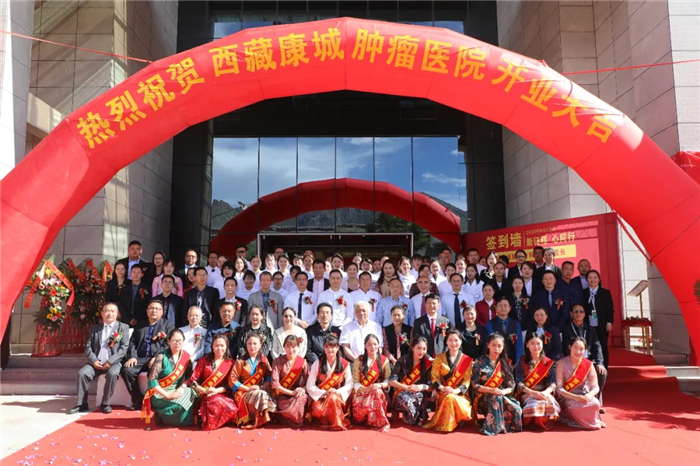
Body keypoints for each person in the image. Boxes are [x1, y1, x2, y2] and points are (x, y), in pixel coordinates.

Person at [70, 303, 130, 414]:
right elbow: (88, 347)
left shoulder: (123, 327)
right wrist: (94, 361)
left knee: (112, 374)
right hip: (96, 362)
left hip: (114, 362)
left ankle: (105, 404)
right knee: (82, 373)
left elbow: (123, 348)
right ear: (102, 313)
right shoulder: (95, 328)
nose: (110, 313)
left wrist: (110, 361)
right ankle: (82, 404)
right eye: (107, 311)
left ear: (117, 314)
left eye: (112, 311)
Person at [121, 300, 174, 410]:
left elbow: (167, 344)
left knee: (154, 372)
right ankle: (138, 401)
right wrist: (133, 357)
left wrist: (156, 357)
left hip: (157, 358)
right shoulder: (140, 325)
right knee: (127, 370)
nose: (154, 311)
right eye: (151, 308)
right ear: (147, 311)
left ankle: (151, 401)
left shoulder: (168, 325)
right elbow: (132, 342)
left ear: (162, 312)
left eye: (157, 309)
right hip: (140, 358)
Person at [142, 328, 196, 427]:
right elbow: (152, 381)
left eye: (180, 340)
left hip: (176, 389)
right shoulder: (161, 357)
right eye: (174, 340)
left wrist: (182, 387)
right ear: (168, 341)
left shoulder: (186, 357)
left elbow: (189, 376)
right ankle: (160, 414)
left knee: (193, 393)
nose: (177, 343)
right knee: (178, 405)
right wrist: (167, 395)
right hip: (159, 392)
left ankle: (174, 418)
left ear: (183, 342)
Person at [471, 333, 522, 435]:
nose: (496, 349)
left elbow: (511, 385)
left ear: (503, 347)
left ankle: (504, 425)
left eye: (499, 346)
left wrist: (503, 392)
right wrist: (491, 390)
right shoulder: (479, 362)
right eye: (493, 345)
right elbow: (475, 384)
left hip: (502, 395)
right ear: (488, 345)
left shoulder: (506, 362)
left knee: (516, 409)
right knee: (496, 399)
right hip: (484, 396)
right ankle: (492, 427)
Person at [423, 329, 473, 432]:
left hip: (460, 395)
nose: (453, 343)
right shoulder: (439, 358)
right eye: (450, 340)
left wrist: (454, 391)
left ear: (461, 341)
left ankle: (452, 422)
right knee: (449, 397)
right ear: (446, 341)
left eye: (456, 340)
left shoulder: (467, 360)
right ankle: (451, 422)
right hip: (444, 393)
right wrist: (443, 388)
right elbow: (434, 377)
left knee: (451, 397)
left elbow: (467, 381)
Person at [562, 303, 607, 412]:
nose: (578, 314)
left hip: (589, 361)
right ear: (571, 314)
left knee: (601, 372)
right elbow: (565, 347)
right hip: (573, 360)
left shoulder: (590, 329)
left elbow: (597, 346)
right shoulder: (566, 329)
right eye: (576, 312)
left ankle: (597, 402)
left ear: (585, 314)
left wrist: (600, 362)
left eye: (581, 311)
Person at [188, 333, 238, 430]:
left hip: (221, 393)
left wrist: (216, 390)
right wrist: (204, 390)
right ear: (212, 346)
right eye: (216, 345)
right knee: (214, 402)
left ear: (226, 346)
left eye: (222, 346)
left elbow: (230, 384)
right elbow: (192, 381)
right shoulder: (204, 361)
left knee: (232, 408)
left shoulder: (230, 363)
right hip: (204, 394)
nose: (219, 348)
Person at [305, 334, 353, 430]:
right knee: (318, 408)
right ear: (323, 348)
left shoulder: (345, 364)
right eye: (327, 347)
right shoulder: (317, 363)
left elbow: (349, 384)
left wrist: (337, 392)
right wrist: (324, 392)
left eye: (333, 347)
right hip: (321, 396)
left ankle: (336, 423)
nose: (330, 350)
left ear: (337, 348)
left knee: (333, 398)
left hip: (338, 397)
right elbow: (310, 385)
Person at [556, 337, 605, 429]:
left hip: (583, 395)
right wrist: (575, 397)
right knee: (574, 406)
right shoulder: (561, 363)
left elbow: (595, 387)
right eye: (575, 348)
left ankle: (587, 420)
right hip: (567, 397)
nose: (578, 352)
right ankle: (590, 421)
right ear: (569, 347)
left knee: (595, 403)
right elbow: (559, 388)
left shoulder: (588, 364)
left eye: (581, 349)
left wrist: (589, 395)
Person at [229, 333, 276, 429]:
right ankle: (258, 420)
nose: (252, 346)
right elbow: (232, 379)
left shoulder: (264, 360)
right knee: (260, 394)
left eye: (255, 343)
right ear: (246, 345)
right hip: (243, 391)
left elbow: (269, 376)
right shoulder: (241, 361)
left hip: (259, 389)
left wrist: (261, 387)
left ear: (260, 345)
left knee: (261, 393)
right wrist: (248, 389)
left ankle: (260, 419)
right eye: (249, 344)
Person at [515, 333, 560, 430]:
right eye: (532, 343)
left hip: (544, 392)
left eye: (538, 343)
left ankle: (544, 423)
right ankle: (531, 423)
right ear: (527, 345)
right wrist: (533, 393)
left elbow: (552, 382)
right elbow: (519, 383)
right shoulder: (521, 361)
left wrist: (545, 393)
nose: (536, 347)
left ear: (543, 344)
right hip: (528, 392)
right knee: (534, 404)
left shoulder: (548, 362)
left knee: (550, 402)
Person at [351, 334, 392, 432]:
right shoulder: (358, 360)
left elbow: (388, 380)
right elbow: (355, 381)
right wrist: (365, 389)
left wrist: (380, 385)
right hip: (361, 393)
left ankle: (379, 422)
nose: (373, 347)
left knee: (377, 391)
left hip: (376, 393)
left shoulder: (384, 360)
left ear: (378, 345)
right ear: (365, 346)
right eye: (369, 344)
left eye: (375, 344)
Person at [388, 335, 433, 426]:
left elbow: (431, 387)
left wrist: (421, 387)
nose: (421, 351)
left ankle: (409, 416)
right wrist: (406, 387)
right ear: (412, 348)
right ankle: (413, 419)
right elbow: (391, 381)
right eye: (419, 348)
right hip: (401, 392)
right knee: (407, 400)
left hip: (417, 393)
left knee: (418, 396)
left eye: (424, 349)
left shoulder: (427, 364)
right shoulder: (403, 360)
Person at [271, 335, 310, 427]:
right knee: (285, 405)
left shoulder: (302, 362)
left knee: (302, 398)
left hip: (296, 393)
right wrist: (291, 393)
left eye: (293, 346)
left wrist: (302, 389)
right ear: (284, 347)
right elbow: (275, 384)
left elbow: (309, 381)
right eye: (288, 346)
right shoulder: (277, 361)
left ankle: (295, 421)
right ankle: (282, 417)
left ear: (298, 347)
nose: (291, 349)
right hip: (281, 394)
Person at [582, 270, 614, 368]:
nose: (592, 280)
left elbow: (610, 309)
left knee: (602, 345)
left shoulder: (605, 293)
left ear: (599, 279)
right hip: (588, 323)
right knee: (588, 345)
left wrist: (609, 322)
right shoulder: (584, 293)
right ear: (587, 279)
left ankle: (604, 367)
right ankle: (590, 368)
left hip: (602, 323)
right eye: (590, 278)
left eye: (595, 278)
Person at [486, 297, 524, 363]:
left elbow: (519, 345)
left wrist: (518, 362)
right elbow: (492, 342)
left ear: (510, 308)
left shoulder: (516, 324)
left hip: (513, 361)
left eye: (505, 306)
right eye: (500, 306)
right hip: (496, 361)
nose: (503, 308)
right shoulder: (490, 324)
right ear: (496, 308)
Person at [411, 293, 450, 358]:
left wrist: (443, 355)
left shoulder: (446, 321)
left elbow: (448, 340)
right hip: (424, 357)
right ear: (425, 305)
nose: (431, 305)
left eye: (434, 303)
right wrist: (427, 357)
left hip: (442, 357)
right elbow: (417, 341)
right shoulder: (418, 322)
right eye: (429, 303)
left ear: (438, 305)